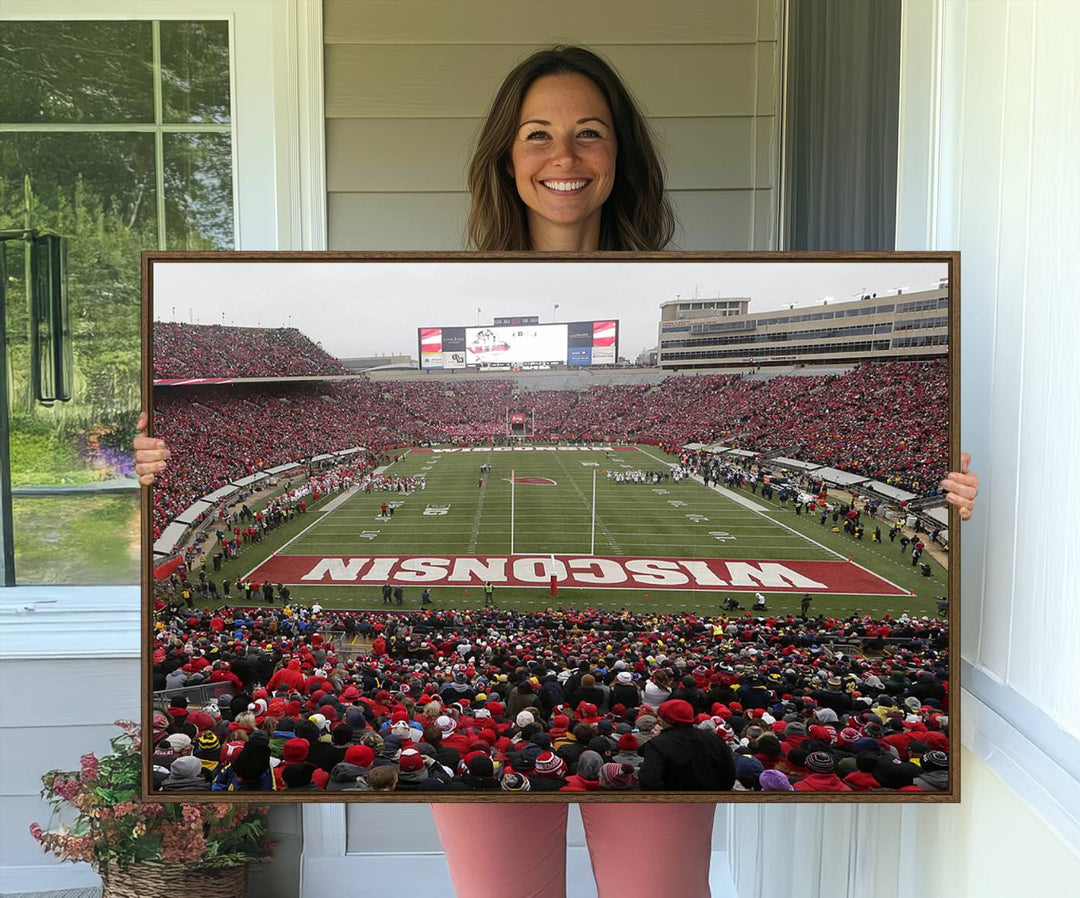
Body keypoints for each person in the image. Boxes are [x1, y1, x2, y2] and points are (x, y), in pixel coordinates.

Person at [135, 43, 980, 898]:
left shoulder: (692, 278)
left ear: (623, 156)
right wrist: (147, 467)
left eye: (590, 133)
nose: (564, 157)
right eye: (537, 134)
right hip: (588, 725)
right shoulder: (426, 275)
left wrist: (953, 500)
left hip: (643, 729)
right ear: (506, 157)